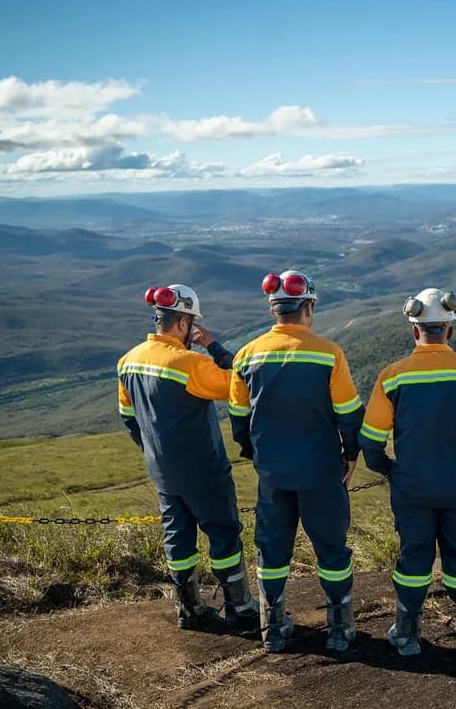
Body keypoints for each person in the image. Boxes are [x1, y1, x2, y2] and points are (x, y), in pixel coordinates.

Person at [359, 288, 456, 658]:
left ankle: (407, 635)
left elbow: (371, 441)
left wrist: (389, 470)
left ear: (414, 331)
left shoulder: (392, 377)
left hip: (412, 488)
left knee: (413, 560)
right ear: (450, 331)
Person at [229, 270, 365, 653]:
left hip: (273, 473)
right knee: (332, 551)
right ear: (307, 308)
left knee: (271, 551)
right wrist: (350, 453)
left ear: (274, 310)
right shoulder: (328, 353)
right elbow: (348, 412)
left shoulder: (246, 355)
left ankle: (272, 629)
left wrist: (256, 454)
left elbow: (239, 419)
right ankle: (340, 628)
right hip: (322, 471)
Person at [117, 283, 258, 631]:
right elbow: (241, 384)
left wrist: (154, 452)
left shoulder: (128, 360)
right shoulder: (189, 363)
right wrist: (211, 345)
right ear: (184, 324)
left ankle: (189, 609)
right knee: (224, 533)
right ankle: (239, 607)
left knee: (177, 537)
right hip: (203, 467)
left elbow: (128, 417)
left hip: (163, 471)